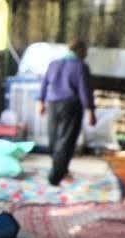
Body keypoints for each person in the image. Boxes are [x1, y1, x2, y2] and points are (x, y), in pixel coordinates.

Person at [38, 40, 96, 185]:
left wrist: (41, 102)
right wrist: (90, 111)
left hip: (52, 104)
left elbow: (44, 83)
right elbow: (84, 90)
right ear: (80, 50)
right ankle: (55, 176)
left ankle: (60, 170)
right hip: (71, 106)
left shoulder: (54, 64)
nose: (86, 54)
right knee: (66, 140)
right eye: (85, 51)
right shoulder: (80, 66)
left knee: (54, 138)